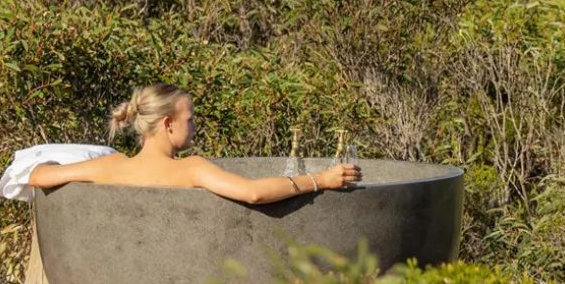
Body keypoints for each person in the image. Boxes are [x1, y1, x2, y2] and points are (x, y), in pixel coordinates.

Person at [27, 83, 361, 203]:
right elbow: (254, 193)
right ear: (168, 124)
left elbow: (38, 176)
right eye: (191, 118)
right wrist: (320, 180)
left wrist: (69, 159)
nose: (195, 125)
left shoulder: (108, 166)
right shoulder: (191, 169)